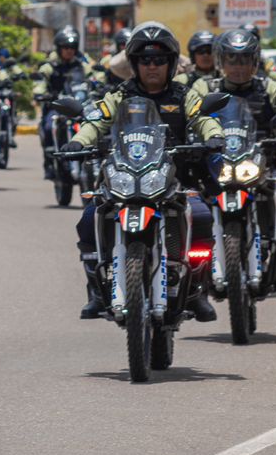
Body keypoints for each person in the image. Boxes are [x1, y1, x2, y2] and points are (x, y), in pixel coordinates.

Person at [60, 22, 225, 322]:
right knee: (89, 218)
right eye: (145, 60)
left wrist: (214, 136)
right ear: (134, 64)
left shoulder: (184, 95)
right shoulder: (119, 95)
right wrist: (78, 141)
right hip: (125, 175)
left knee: (201, 215)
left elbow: (203, 118)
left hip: (172, 178)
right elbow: (96, 121)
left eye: (159, 60)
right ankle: (96, 290)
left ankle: (196, 291)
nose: (152, 66)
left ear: (170, 63)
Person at [194, 28, 276, 304]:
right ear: (221, 61)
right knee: (193, 206)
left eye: (245, 60)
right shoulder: (206, 88)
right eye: (232, 60)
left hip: (261, 164)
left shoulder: (267, 87)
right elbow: (192, 110)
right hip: (216, 166)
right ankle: (195, 280)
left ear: (255, 62)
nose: (238, 66)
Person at [34, 28, 106, 180]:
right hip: (57, 107)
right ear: (59, 48)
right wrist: (41, 92)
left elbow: (95, 75)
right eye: (66, 47)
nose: (69, 51)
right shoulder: (50, 65)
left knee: (96, 123)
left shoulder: (81, 64)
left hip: (79, 105)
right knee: (49, 126)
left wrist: (100, 84)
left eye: (72, 47)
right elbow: (40, 81)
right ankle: (50, 161)